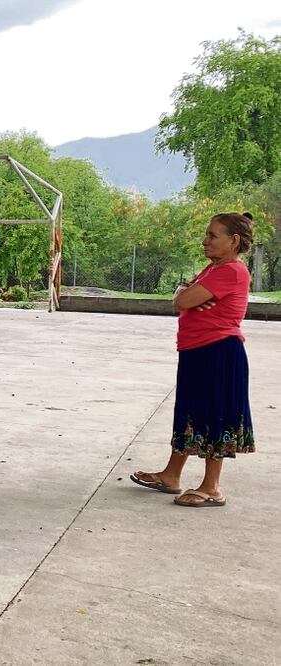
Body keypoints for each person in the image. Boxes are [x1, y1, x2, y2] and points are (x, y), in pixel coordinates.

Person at [130, 212, 255, 508]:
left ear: (233, 240)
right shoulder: (213, 269)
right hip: (196, 350)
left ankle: (211, 487)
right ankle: (172, 475)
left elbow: (183, 300)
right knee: (189, 411)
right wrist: (188, 294)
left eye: (213, 236)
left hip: (219, 351)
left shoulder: (232, 271)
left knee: (215, 415)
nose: (205, 241)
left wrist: (188, 294)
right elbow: (182, 296)